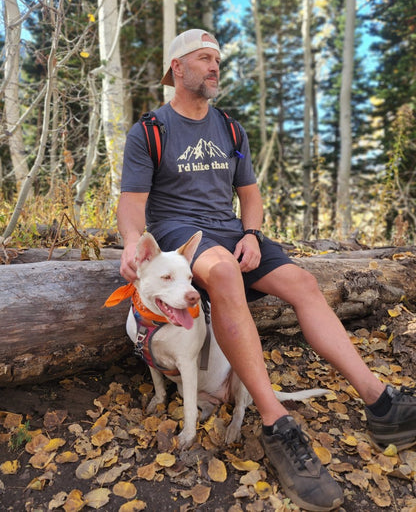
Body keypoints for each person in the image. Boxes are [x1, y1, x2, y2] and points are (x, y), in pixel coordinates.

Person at [117, 28, 416, 512]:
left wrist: (252, 234)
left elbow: (250, 196)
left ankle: (381, 404)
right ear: (177, 67)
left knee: (302, 282)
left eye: (217, 59)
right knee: (223, 272)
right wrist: (133, 243)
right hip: (181, 234)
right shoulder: (151, 130)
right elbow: (132, 205)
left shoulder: (230, 129)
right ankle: (277, 425)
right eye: (204, 58)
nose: (215, 66)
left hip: (231, 231)